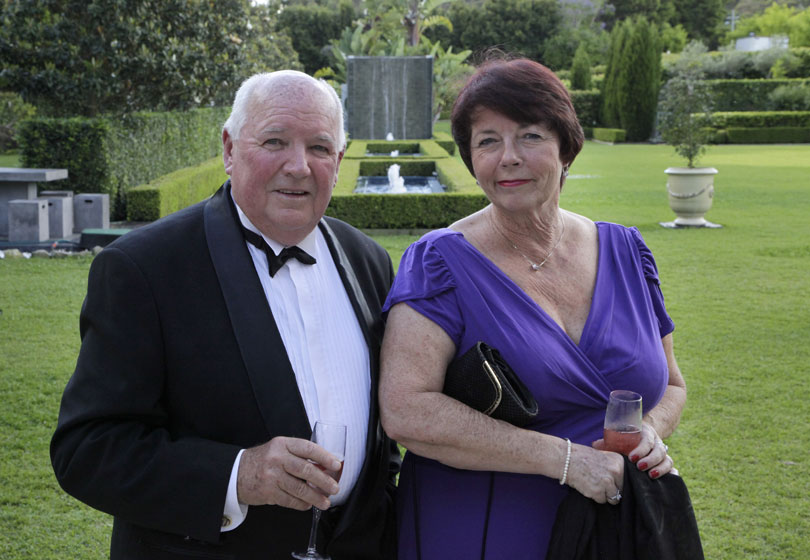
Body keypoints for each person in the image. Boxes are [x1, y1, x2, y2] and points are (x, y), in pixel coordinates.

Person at [51, 70, 399, 559]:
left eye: (320, 148)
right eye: (275, 141)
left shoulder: (368, 260)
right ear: (230, 149)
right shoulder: (144, 267)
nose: (299, 166)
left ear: (338, 162)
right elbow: (87, 450)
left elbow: (382, 437)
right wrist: (238, 475)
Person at [379, 57, 687, 558]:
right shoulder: (438, 262)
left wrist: (648, 430)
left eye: (530, 136)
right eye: (487, 141)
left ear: (566, 148)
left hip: (616, 530)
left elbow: (672, 385)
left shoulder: (628, 253)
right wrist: (565, 461)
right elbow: (405, 410)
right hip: (482, 532)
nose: (508, 157)